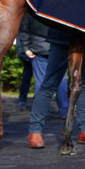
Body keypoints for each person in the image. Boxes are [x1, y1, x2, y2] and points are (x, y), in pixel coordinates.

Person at [20, 14, 69, 148]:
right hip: (57, 44)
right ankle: (64, 110)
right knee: (60, 82)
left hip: (38, 48)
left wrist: (26, 47)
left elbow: (24, 26)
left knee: (42, 84)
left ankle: (40, 118)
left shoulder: (34, 3)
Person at [14, 31, 34, 112]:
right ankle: (22, 101)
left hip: (28, 50)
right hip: (32, 50)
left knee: (26, 77)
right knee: (27, 77)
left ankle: (22, 101)